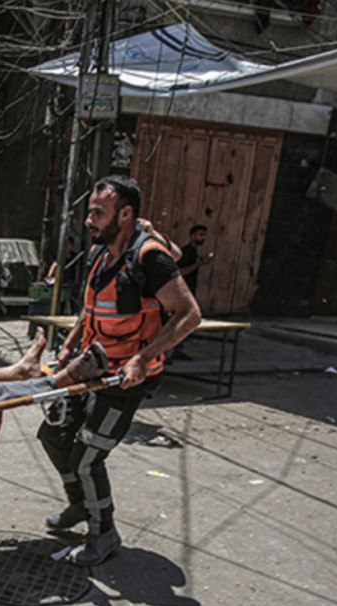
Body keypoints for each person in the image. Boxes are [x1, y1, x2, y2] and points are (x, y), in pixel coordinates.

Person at [38, 176, 201, 567]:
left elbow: (189, 314)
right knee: (53, 435)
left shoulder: (149, 258)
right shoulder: (99, 253)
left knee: (87, 457)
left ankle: (104, 533)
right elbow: (91, 308)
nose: (89, 221)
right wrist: (70, 342)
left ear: (125, 214)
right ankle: (81, 504)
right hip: (90, 366)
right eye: (90, 212)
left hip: (123, 380)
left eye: (98, 213)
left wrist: (142, 359)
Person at [171, 224, 212, 360]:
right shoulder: (186, 252)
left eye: (204, 235)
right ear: (192, 236)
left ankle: (178, 350)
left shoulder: (193, 252)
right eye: (200, 235)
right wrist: (199, 264)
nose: (203, 238)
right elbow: (181, 271)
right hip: (181, 292)